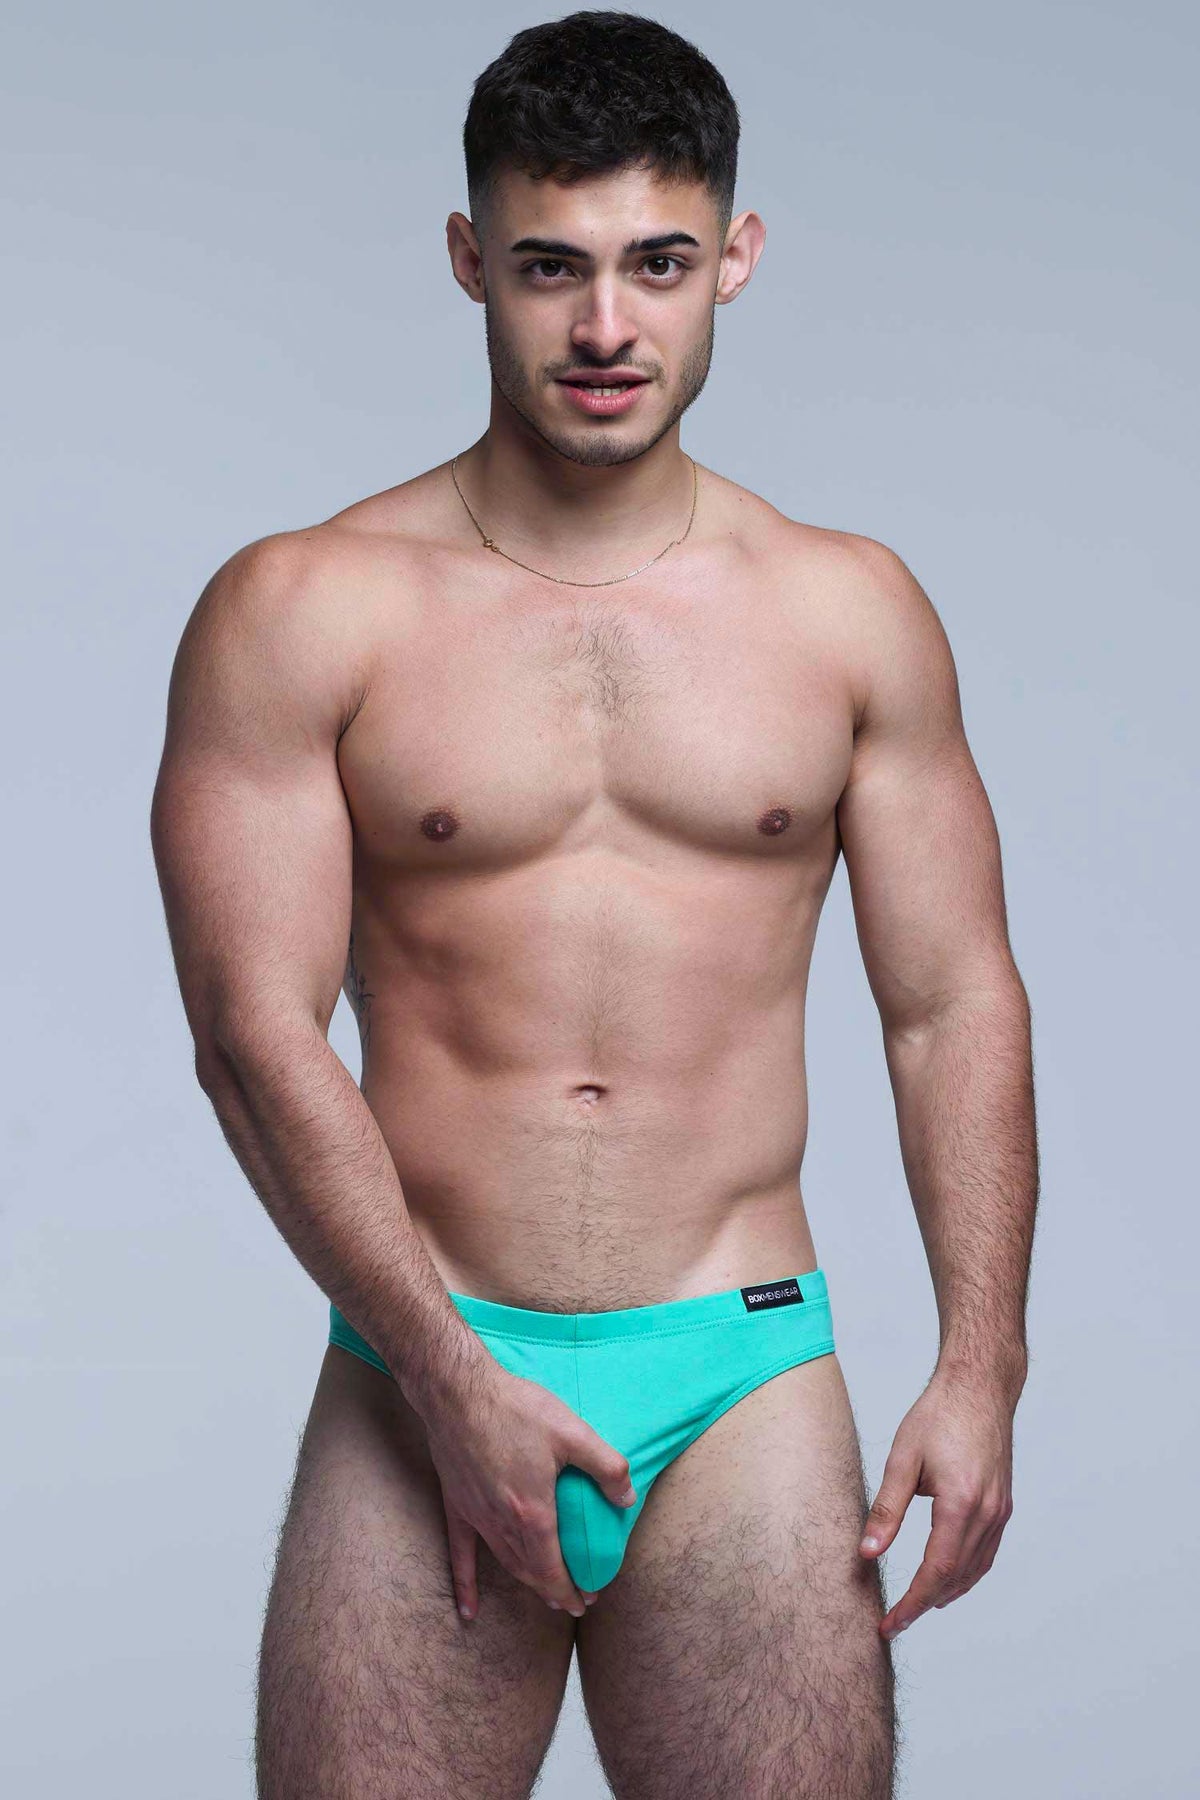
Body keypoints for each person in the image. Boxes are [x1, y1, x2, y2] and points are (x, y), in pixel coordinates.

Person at [150, 11, 1037, 1797]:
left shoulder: (847, 615)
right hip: (425, 1353)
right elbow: (253, 1037)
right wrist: (445, 1375)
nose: (608, 326)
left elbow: (951, 1003)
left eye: (659, 264)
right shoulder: (304, 610)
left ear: (737, 258)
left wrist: (981, 1364)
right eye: (553, 265)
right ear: (470, 257)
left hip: (743, 1376)